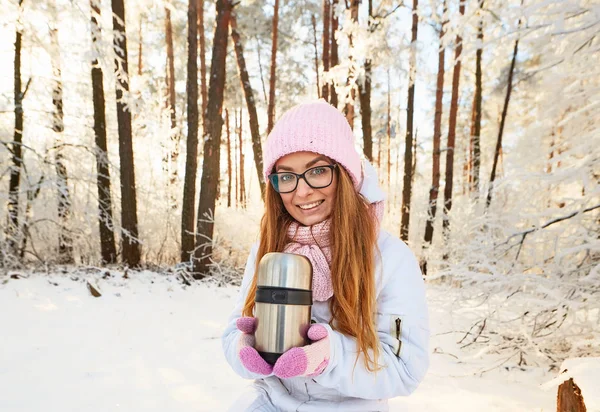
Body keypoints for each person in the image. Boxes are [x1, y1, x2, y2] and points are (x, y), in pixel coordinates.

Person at [222, 100, 429, 411]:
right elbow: (232, 330)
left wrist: (330, 358)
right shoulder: (268, 249)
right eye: (287, 176)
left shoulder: (391, 259)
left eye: (318, 171)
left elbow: (404, 368)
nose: (301, 191)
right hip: (270, 402)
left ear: (345, 175)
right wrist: (243, 349)